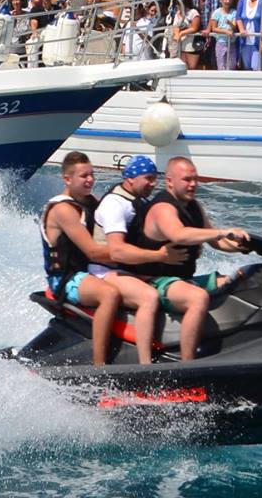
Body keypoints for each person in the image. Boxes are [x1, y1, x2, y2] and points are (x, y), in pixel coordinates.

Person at [43, 153, 182, 366]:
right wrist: (145, 255)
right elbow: (93, 252)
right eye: (83, 176)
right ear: (67, 179)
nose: (90, 180)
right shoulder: (63, 210)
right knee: (109, 294)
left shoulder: (91, 201)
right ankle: (100, 365)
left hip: (88, 271)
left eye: (91, 174)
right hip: (65, 277)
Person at [128, 156, 252, 363]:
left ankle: (233, 345)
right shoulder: (162, 208)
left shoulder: (194, 206)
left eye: (195, 179)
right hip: (155, 281)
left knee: (240, 282)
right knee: (198, 298)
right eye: (186, 179)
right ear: (169, 181)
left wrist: (242, 247)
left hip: (181, 280)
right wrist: (223, 232)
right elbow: (179, 234)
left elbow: (216, 241)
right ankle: (187, 364)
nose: (193, 184)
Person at [185, 0, 221, 69]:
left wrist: (209, 29)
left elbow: (214, 12)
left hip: (214, 32)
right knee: (198, 61)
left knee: (213, 61)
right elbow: (192, 12)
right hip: (200, 33)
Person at [209, 0, 238, 71]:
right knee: (221, 66)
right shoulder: (216, 12)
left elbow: (234, 26)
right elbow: (213, 28)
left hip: (231, 42)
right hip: (221, 42)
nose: (227, 1)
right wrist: (225, 31)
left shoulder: (234, 12)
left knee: (232, 65)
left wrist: (231, 24)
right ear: (221, 0)